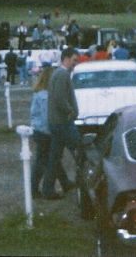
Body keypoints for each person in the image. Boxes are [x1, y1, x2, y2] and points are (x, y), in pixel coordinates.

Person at [42, 47, 80, 200]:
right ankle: (85, 184)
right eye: (74, 60)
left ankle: (49, 188)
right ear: (66, 58)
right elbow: (59, 98)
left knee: (55, 157)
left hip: (57, 122)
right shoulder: (62, 74)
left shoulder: (59, 74)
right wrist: (70, 111)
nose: (75, 64)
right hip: (63, 122)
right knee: (80, 151)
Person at [30, 66, 73, 199]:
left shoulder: (40, 92)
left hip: (39, 130)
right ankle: (41, 190)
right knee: (47, 161)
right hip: (45, 131)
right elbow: (47, 116)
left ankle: (64, 183)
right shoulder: (46, 96)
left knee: (50, 159)